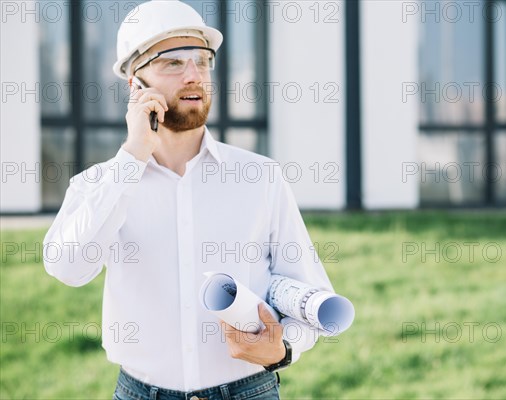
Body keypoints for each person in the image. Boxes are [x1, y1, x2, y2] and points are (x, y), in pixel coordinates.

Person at [43, 1, 335, 399]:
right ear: (135, 84)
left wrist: (283, 348)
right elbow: (68, 267)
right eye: (173, 63)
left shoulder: (260, 177)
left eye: (202, 60)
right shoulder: (99, 184)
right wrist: (132, 158)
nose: (194, 75)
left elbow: (308, 289)